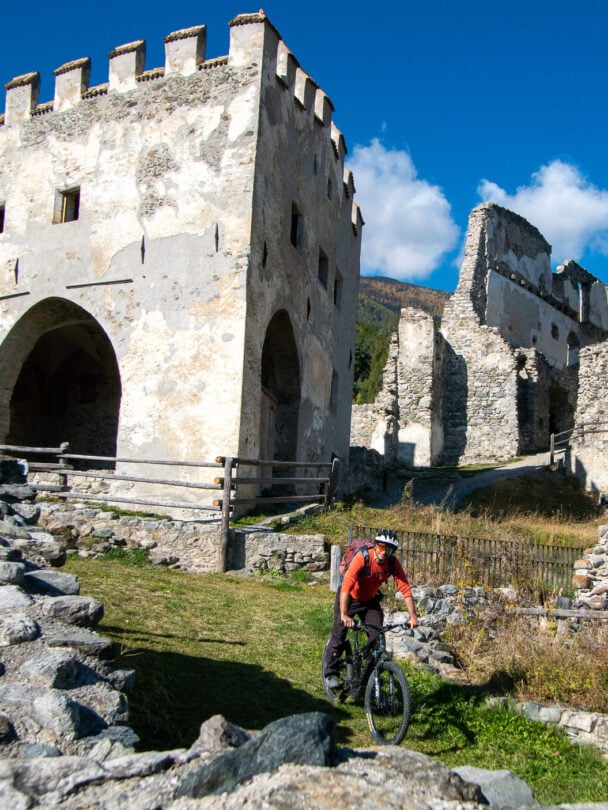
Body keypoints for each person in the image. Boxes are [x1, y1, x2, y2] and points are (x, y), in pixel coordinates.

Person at [324, 529, 419, 689]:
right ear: (375, 546)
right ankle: (330, 673)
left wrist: (413, 616)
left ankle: (366, 675)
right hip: (350, 598)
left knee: (376, 634)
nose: (384, 552)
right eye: (381, 548)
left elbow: (405, 588)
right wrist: (344, 614)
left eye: (388, 550)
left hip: (370, 600)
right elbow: (346, 585)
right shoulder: (363, 558)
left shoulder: (392, 563)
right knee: (339, 634)